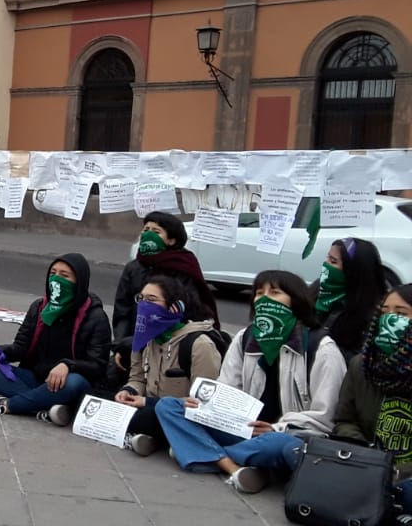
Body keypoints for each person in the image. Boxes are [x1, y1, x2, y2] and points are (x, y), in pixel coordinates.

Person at [153, 270, 346, 494]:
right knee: (168, 406)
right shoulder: (245, 338)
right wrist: (204, 406)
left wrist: (276, 427)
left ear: (295, 300)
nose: (264, 299)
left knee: (281, 445)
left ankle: (199, 450)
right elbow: (226, 389)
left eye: (274, 293)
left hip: (285, 435)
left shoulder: (321, 348)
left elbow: (325, 418)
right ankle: (232, 466)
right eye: (259, 293)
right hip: (243, 428)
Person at [0, 253, 111, 425]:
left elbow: (98, 365)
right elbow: (20, 347)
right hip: (38, 378)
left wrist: (68, 365)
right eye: (53, 274)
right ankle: (44, 406)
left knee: (73, 383)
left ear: (79, 282)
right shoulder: (39, 307)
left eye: (64, 276)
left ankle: (8, 405)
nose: (56, 279)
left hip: (71, 382)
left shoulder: (95, 316)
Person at [318, 286, 412, 526]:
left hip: (405, 476)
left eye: (401, 313)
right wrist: (368, 457)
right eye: (384, 311)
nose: (389, 319)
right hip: (365, 463)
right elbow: (344, 420)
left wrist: (397, 471)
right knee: (291, 450)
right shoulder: (362, 366)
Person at [112, 275, 222, 456]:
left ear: (174, 307)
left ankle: (164, 438)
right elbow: (137, 378)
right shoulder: (144, 336)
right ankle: (156, 439)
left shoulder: (199, 344)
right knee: (99, 400)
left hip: (178, 414)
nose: (144, 305)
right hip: (147, 406)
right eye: (141, 299)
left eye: (152, 300)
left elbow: (203, 403)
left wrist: (148, 402)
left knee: (144, 417)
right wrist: (128, 392)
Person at [111, 211, 220, 388]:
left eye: (156, 231)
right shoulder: (133, 268)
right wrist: (122, 345)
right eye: (145, 229)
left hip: (171, 342)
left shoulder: (184, 266)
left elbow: (188, 311)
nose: (147, 234)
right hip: (134, 341)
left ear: (171, 240)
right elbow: (122, 311)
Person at [314, 237, 387, 363]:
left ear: (353, 270)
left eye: (333, 261)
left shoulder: (373, 316)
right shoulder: (319, 289)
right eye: (327, 258)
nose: (326, 265)